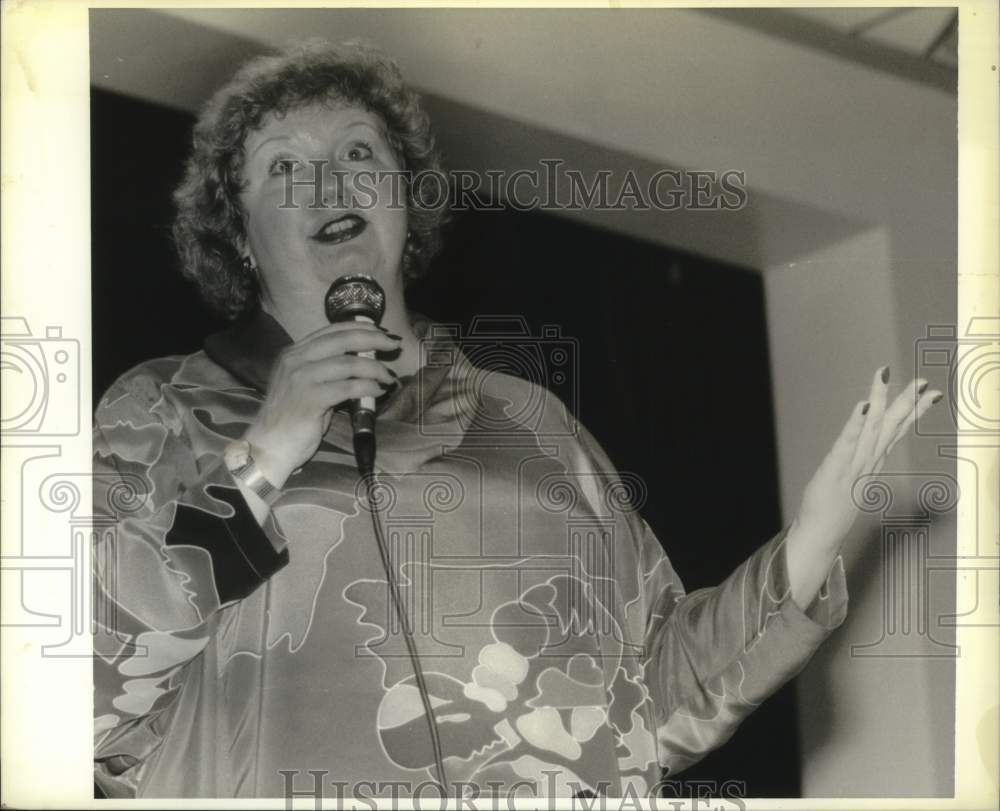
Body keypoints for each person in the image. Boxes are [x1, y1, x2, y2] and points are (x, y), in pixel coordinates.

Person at [92, 39, 942, 800]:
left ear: (404, 200)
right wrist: (264, 455)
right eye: (282, 166)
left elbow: (652, 701)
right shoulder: (162, 412)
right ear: (237, 233)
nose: (329, 181)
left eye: (359, 151)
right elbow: (76, 686)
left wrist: (805, 553)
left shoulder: (533, 423)